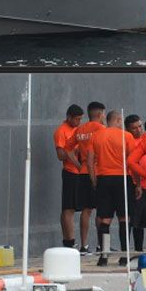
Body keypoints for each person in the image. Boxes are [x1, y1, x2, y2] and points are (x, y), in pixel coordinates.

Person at [88, 110, 139, 267]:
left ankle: (104, 256)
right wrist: (137, 183)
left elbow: (90, 161)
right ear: (117, 120)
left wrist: (94, 179)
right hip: (123, 178)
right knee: (124, 218)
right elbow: (133, 161)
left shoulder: (96, 136)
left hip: (103, 179)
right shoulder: (127, 136)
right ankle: (124, 255)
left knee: (104, 219)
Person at [66, 101, 106, 254]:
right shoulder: (101, 129)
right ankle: (101, 245)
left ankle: (84, 246)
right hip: (98, 171)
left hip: (82, 172)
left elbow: (67, 149)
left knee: (86, 210)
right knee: (101, 210)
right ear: (100, 114)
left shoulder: (80, 129)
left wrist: (78, 164)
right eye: (103, 114)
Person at [53, 104, 83, 249]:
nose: (78, 122)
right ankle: (69, 241)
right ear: (69, 117)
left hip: (80, 172)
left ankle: (69, 240)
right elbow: (60, 154)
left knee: (75, 208)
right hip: (70, 172)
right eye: (76, 119)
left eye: (80, 119)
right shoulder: (61, 131)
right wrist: (73, 155)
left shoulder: (79, 130)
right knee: (68, 208)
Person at [125, 114, 146, 252]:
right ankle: (129, 250)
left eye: (140, 126)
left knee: (142, 221)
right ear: (128, 129)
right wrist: (137, 184)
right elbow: (131, 164)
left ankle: (139, 249)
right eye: (134, 128)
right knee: (132, 220)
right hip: (135, 184)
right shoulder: (129, 142)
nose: (138, 130)